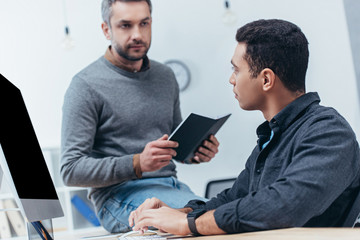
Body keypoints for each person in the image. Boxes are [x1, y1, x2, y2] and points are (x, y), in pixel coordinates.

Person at [129, 19, 360, 236]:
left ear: (266, 79)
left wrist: (188, 224)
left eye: (236, 70)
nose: (232, 79)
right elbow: (234, 198)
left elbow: (284, 206)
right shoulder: (272, 136)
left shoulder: (328, 132)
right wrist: (179, 213)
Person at [60, 0, 220, 233]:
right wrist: (137, 163)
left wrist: (195, 153)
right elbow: (70, 170)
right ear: (107, 30)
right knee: (205, 224)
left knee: (224, 217)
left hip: (173, 187)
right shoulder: (85, 85)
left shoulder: (165, 76)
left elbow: (175, 146)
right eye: (125, 25)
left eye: (143, 24)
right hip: (118, 196)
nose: (137, 34)